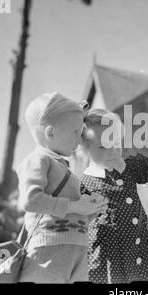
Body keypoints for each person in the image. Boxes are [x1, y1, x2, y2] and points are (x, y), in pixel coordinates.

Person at [17, 92, 108, 283]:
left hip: (77, 252)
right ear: (51, 133)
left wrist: (92, 209)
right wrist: (77, 206)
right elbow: (30, 200)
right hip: (47, 253)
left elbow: (69, 213)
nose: (80, 139)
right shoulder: (37, 160)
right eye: (75, 132)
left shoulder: (67, 170)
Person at [78, 108, 148, 283]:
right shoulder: (84, 183)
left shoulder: (134, 166)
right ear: (85, 149)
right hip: (104, 261)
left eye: (116, 143)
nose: (113, 151)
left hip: (137, 256)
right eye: (103, 146)